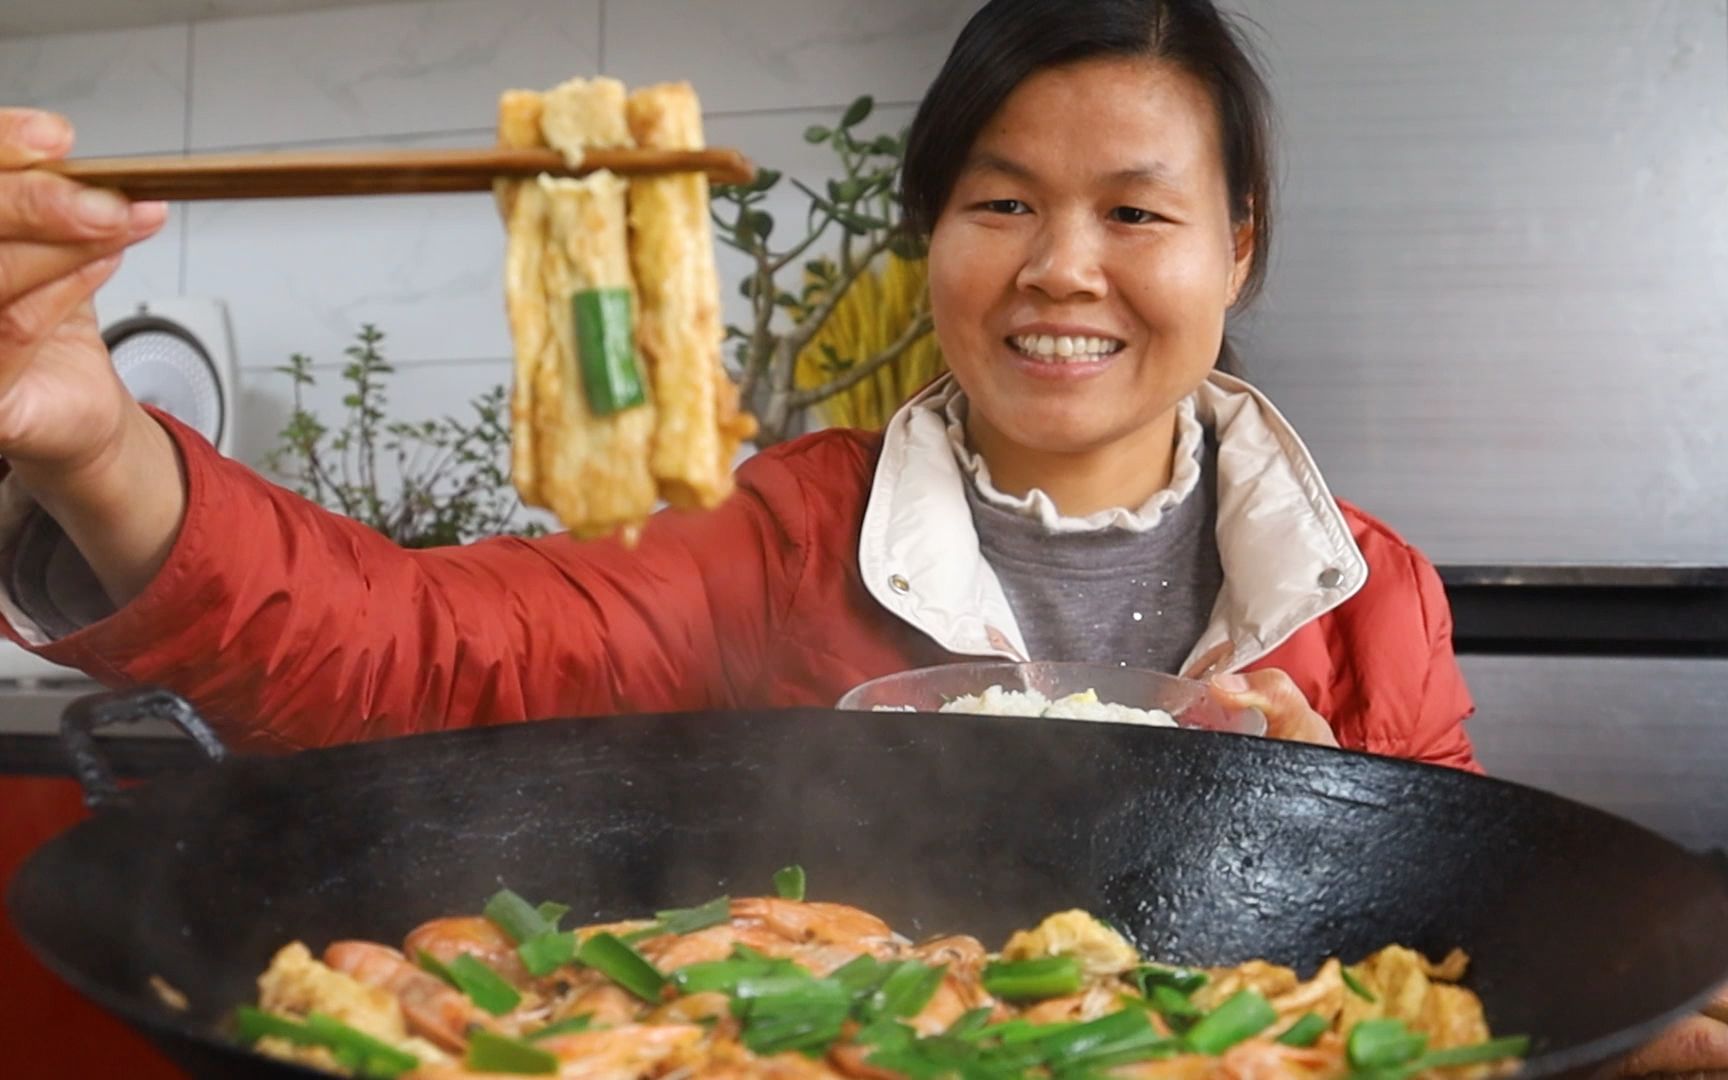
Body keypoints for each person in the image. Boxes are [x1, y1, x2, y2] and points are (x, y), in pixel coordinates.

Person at [0, 0, 1721, 1067]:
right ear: (929, 238)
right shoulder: (782, 536)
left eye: (1137, 211)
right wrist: (92, 440)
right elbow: (412, 651)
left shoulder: (1370, 594)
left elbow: (1473, 941)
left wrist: (1337, 815)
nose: (1061, 267)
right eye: (999, 204)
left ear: (1238, 248)